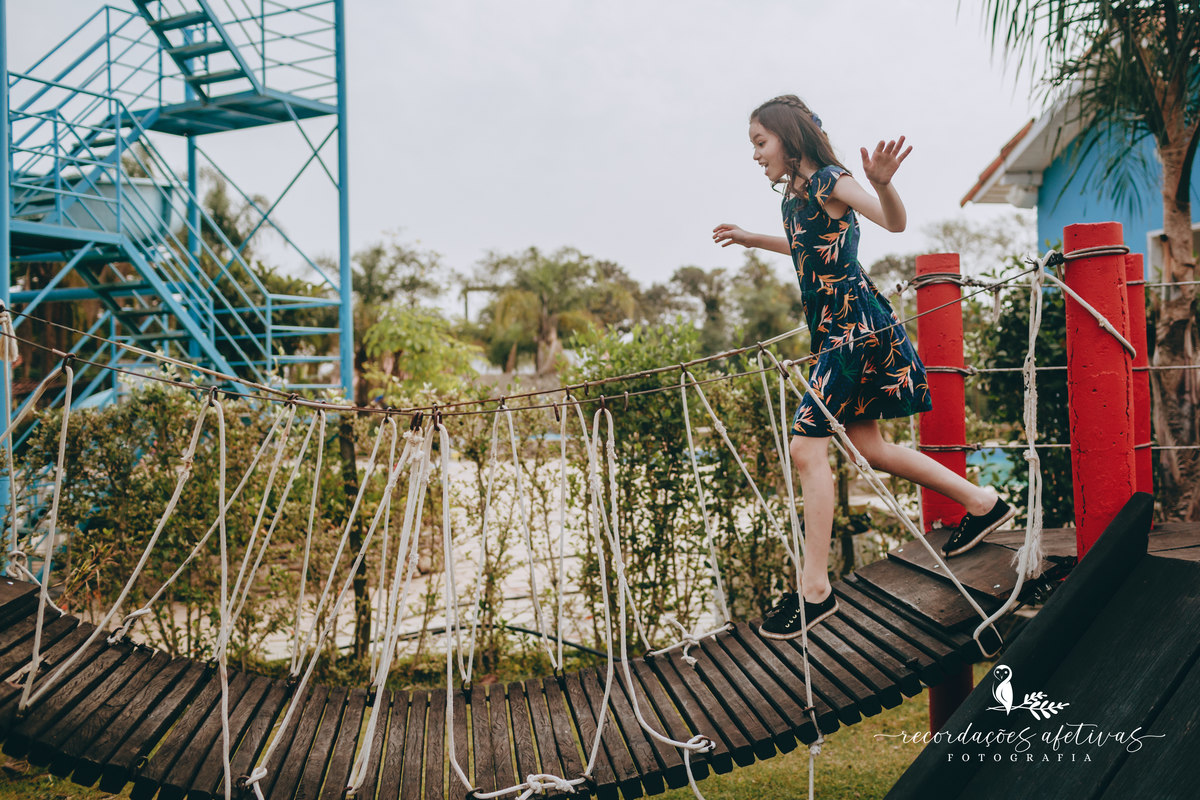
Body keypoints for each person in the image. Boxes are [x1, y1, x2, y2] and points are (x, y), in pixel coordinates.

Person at [713, 95, 1014, 640]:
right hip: (838, 334)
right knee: (869, 449)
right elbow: (808, 249)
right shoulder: (797, 198)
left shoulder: (831, 180)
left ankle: (815, 592)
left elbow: (893, 223)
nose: (755, 155)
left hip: (854, 333)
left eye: (760, 142)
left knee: (806, 449)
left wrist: (882, 184)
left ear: (789, 137)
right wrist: (753, 239)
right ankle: (983, 503)